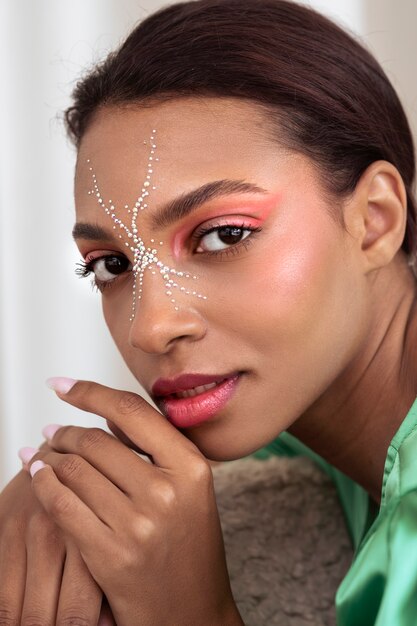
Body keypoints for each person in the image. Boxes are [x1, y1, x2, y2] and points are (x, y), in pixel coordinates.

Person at [1, 0, 416, 623]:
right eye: (112, 265)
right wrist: (68, 491)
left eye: (223, 236)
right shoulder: (301, 424)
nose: (151, 327)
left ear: (374, 222)